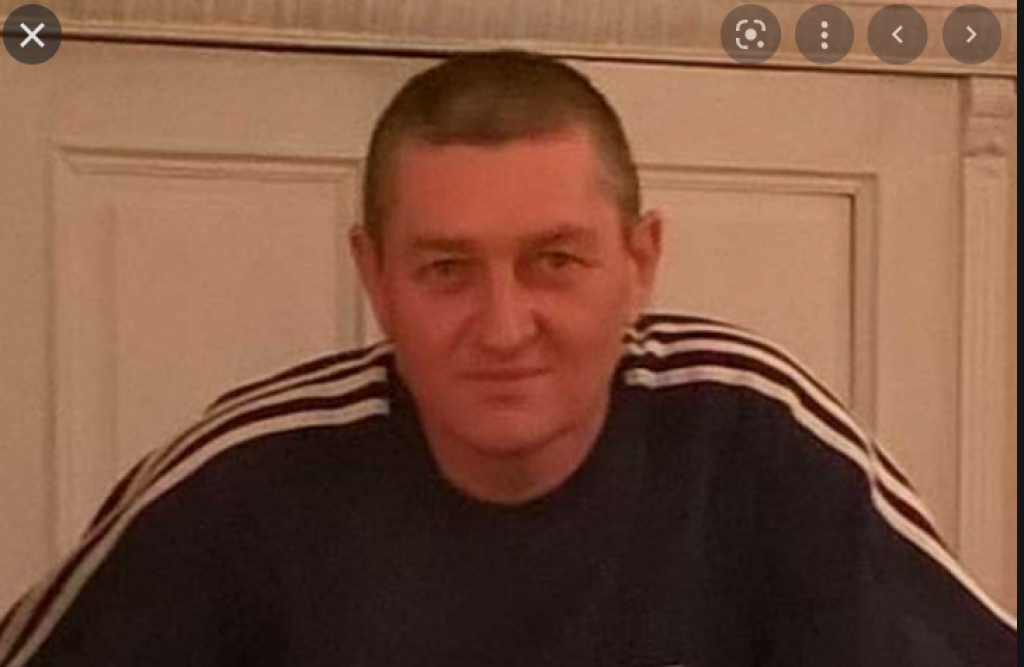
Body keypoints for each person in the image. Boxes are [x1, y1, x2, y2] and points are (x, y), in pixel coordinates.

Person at [0, 49, 1015, 667]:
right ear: (374, 275)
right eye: (447, 268)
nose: (502, 325)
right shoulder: (240, 481)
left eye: (554, 261)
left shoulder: (756, 440)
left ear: (640, 260)